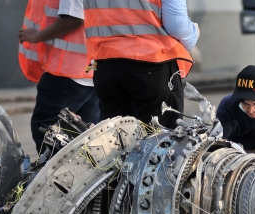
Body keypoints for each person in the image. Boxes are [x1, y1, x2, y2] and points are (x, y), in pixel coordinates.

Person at [83, 0, 200, 129]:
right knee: (159, 141)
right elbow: (177, 27)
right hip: (150, 63)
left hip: (106, 64)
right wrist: (194, 33)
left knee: (115, 140)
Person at [19, 0, 100, 153]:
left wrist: (37, 36)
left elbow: (74, 17)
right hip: (93, 70)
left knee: (47, 131)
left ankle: (55, 175)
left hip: (68, 72)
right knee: (87, 138)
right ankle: (81, 176)